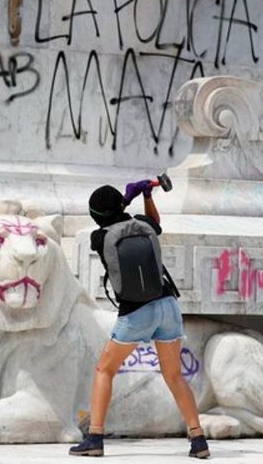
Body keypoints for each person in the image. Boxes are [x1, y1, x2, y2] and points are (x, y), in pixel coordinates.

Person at [69, 182, 209, 459]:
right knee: (174, 376)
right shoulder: (144, 225)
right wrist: (145, 194)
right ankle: (198, 440)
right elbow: (155, 222)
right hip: (167, 305)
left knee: (105, 370)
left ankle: (95, 436)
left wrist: (125, 199)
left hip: (136, 312)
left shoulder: (99, 237)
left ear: (97, 214)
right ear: (121, 206)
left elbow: (115, 219)